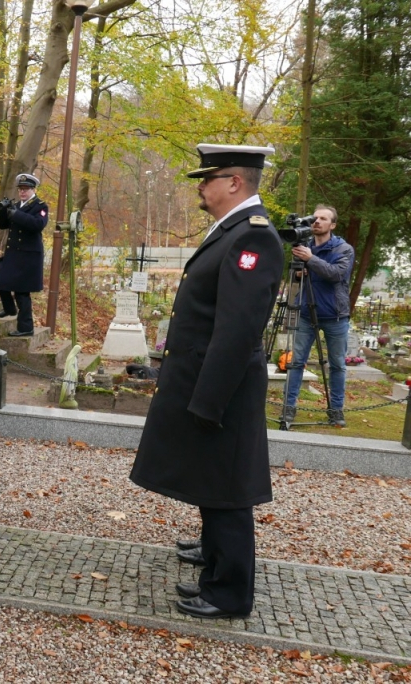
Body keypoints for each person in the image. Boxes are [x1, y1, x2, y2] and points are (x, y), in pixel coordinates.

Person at [129, 143, 284, 619]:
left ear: (234, 183)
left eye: (208, 177)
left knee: (228, 491)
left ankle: (230, 593)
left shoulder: (251, 237)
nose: (201, 185)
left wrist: (208, 401)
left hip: (223, 390)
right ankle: (214, 570)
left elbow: (237, 331)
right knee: (213, 484)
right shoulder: (232, 231)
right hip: (206, 382)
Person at [282, 205, 354, 427]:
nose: (317, 222)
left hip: (335, 316)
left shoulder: (343, 249)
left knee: (337, 365)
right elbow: (296, 277)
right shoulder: (305, 245)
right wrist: (299, 271)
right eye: (315, 218)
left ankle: (336, 411)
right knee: (296, 363)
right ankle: (289, 409)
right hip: (306, 313)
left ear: (332, 225)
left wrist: (311, 260)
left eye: (323, 219)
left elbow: (337, 274)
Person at [0, 173, 49, 337]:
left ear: (33, 189)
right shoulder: (16, 205)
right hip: (14, 253)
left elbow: (37, 225)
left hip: (29, 256)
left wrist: (16, 214)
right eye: (20, 189)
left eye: (26, 189)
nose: (22, 192)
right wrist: (2, 210)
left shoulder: (40, 206)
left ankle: (26, 327)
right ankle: (9, 309)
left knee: (22, 292)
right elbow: (2, 225)